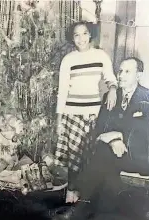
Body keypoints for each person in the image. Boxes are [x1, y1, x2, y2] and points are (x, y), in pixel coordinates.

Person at [61, 57, 149, 220]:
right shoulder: (111, 97)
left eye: (127, 71)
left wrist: (119, 135)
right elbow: (100, 128)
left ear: (138, 75)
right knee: (101, 152)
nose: (121, 75)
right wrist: (111, 139)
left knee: (101, 156)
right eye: (120, 71)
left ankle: (81, 201)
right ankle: (83, 207)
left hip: (139, 155)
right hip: (113, 152)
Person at [54, 21, 118, 203]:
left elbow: (110, 77)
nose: (80, 38)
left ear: (90, 35)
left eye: (84, 34)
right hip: (72, 114)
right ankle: (71, 193)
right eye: (76, 35)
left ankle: (86, 196)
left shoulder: (100, 55)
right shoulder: (68, 60)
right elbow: (62, 91)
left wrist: (113, 89)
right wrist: (59, 119)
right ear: (72, 38)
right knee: (74, 158)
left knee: (89, 157)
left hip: (94, 114)